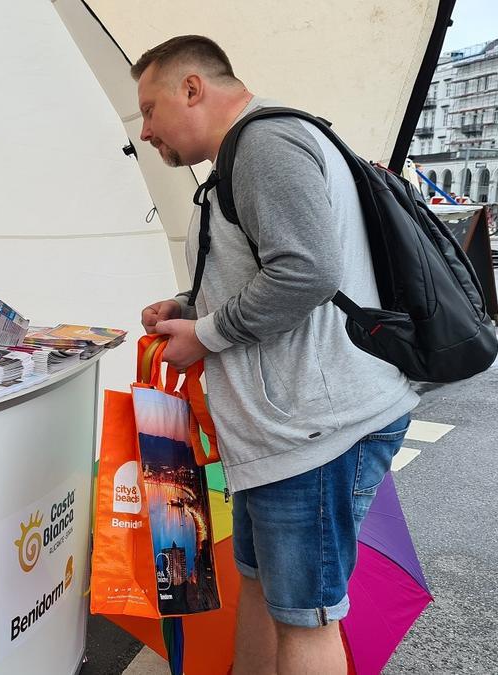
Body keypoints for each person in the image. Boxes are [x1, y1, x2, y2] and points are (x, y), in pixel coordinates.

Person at [133, 36, 418, 674]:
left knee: (307, 620)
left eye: (150, 109)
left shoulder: (263, 145)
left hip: (312, 434)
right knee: (264, 594)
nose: (145, 130)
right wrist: (190, 306)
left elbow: (307, 272)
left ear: (192, 89)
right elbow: (264, 271)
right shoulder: (247, 153)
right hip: (284, 435)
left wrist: (204, 336)